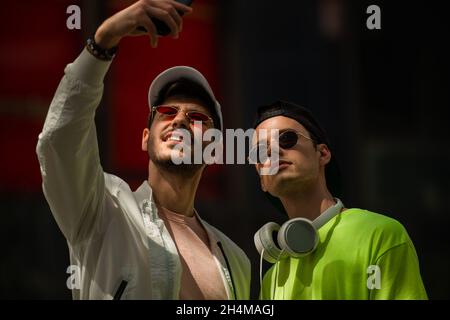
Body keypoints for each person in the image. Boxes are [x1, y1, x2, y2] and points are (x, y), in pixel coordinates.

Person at [36, 0, 250, 300]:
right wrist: (103, 40)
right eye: (166, 111)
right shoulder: (102, 208)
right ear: (145, 138)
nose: (180, 120)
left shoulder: (237, 260)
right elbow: (60, 140)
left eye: (198, 118)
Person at [251, 100, 427, 300]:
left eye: (286, 139)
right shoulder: (272, 279)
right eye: (260, 152)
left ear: (323, 154)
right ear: (262, 182)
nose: (274, 152)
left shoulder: (381, 235)